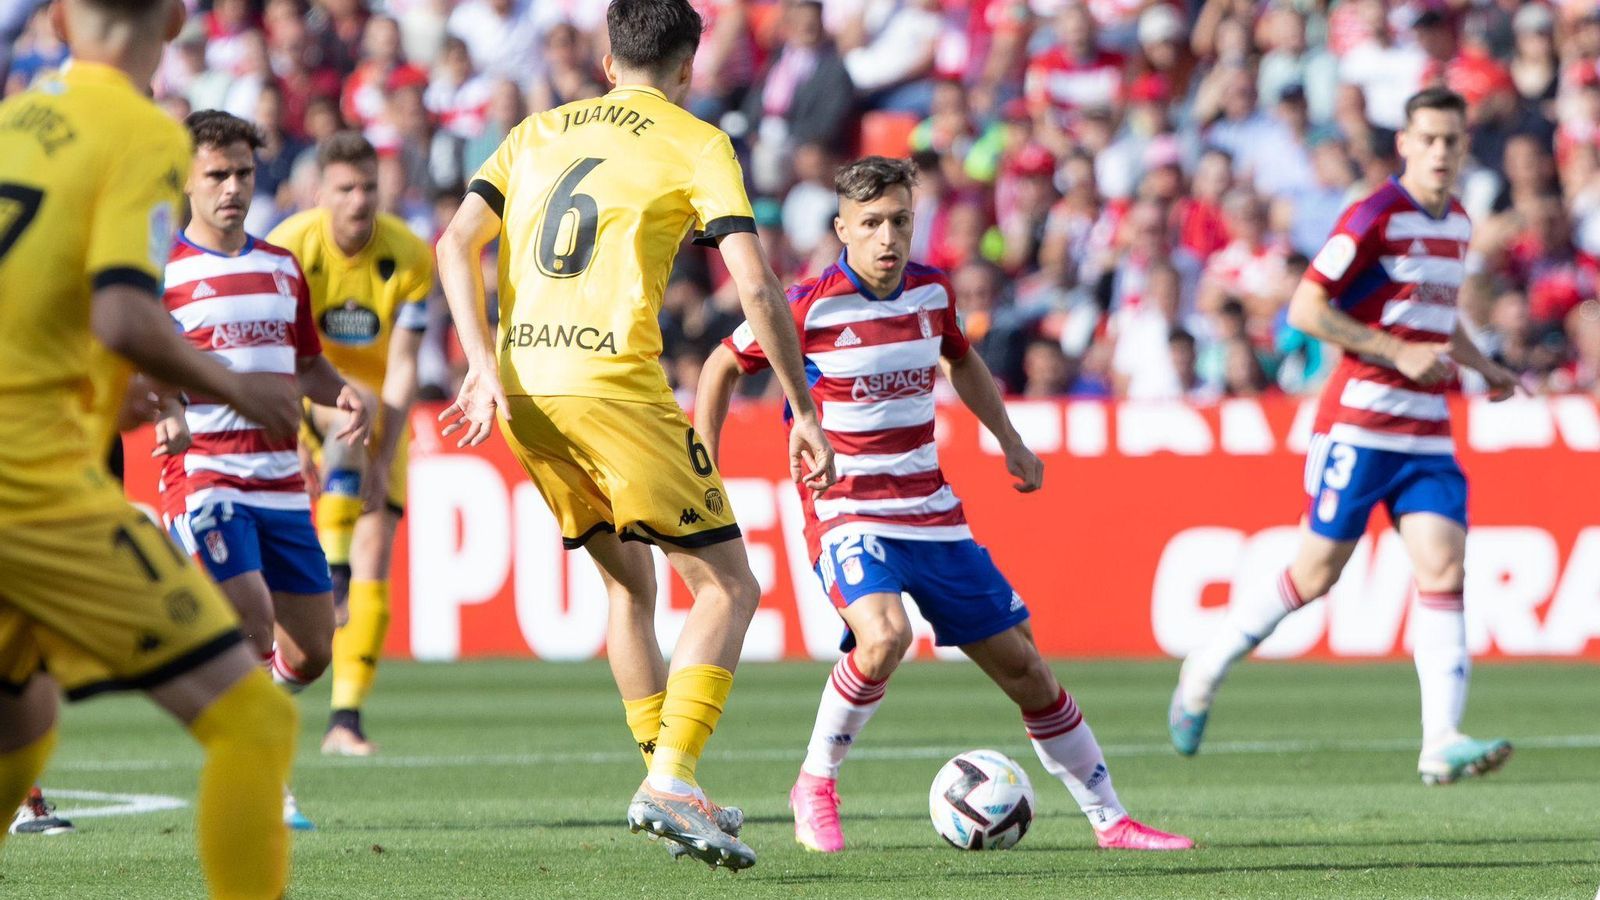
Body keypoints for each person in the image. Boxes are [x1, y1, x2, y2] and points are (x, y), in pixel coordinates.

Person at [434, 0, 835, 871]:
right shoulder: (698, 141)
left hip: (524, 390)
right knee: (728, 586)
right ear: (688, 67)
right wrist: (803, 408)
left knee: (629, 587)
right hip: (612, 384)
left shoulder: (536, 131)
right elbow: (756, 286)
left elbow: (455, 242)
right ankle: (672, 777)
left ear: (609, 61)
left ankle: (667, 774)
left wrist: (478, 361)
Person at [695, 156, 1193, 855]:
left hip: (931, 511)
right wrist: (704, 464)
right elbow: (720, 366)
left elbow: (960, 359)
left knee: (1027, 670)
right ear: (843, 229)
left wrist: (1010, 440)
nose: (888, 237)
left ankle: (1111, 821)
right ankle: (815, 782)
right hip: (847, 507)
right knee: (884, 637)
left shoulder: (931, 291)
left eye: (900, 220)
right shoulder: (807, 303)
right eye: (872, 223)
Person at [0, 0, 304, 894]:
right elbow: (126, 317)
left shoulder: (13, 123)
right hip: (30, 486)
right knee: (253, 720)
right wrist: (240, 390)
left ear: (61, 21)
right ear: (171, 21)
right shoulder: (143, 134)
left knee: (21, 721)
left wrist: (103, 386)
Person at [1170, 88, 1522, 785]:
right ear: (1405, 143)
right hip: (1360, 421)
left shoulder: (1457, 221)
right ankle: (1205, 665)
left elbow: (1436, 314)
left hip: (1426, 430)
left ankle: (1440, 740)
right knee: (1315, 574)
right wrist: (1394, 353)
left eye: (1452, 139)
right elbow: (1306, 307)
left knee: (1444, 569)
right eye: (1429, 138)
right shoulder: (1375, 215)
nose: (1441, 151)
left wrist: (1483, 366)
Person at [162, 110, 372, 830]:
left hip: (281, 480)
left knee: (310, 652)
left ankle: (243, 715)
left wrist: (341, 392)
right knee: (251, 618)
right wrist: (166, 408)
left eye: (243, 173)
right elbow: (134, 361)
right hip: (206, 477)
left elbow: (305, 363)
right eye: (217, 174)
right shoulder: (164, 273)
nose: (232, 187)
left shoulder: (281, 267)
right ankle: (258, 773)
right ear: (187, 180)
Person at [269, 131, 433, 758]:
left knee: (376, 551)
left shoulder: (409, 254)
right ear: (319, 193)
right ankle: (330, 573)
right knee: (348, 405)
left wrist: (383, 459)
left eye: (368, 186)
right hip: (304, 404)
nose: (359, 200)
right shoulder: (290, 248)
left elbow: (406, 364)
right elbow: (275, 353)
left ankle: (345, 719)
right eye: (345, 188)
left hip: (379, 416)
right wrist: (291, 435)